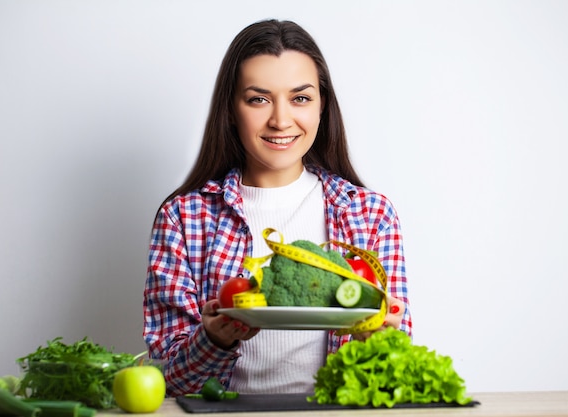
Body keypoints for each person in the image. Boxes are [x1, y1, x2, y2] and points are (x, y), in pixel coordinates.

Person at [143, 19, 411, 397]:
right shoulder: (184, 218)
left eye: (300, 98)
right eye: (259, 99)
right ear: (231, 110)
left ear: (322, 107)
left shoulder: (371, 215)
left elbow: (393, 377)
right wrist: (213, 340)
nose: (281, 120)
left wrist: (382, 339)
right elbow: (164, 378)